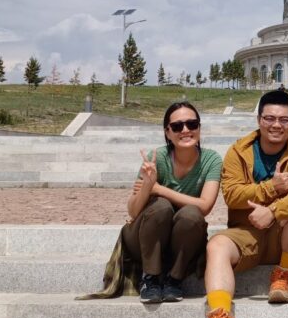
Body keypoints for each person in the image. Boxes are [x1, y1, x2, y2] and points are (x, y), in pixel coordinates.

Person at [200, 90, 288, 318]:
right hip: (247, 234)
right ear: (259, 119)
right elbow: (232, 195)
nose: (276, 125)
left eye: (284, 119)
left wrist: (273, 211)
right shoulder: (238, 151)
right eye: (269, 118)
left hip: (284, 237)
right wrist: (271, 188)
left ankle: (283, 275)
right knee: (216, 245)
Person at [79, 102, 221, 304]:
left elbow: (205, 206)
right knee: (161, 206)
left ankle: (174, 279)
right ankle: (150, 278)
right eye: (177, 126)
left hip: (182, 240)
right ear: (167, 132)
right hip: (144, 237)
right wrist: (147, 185)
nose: (185, 130)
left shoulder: (211, 160)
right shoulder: (157, 159)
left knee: (192, 214)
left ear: (199, 127)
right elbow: (133, 210)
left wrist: (159, 189)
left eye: (192, 124)